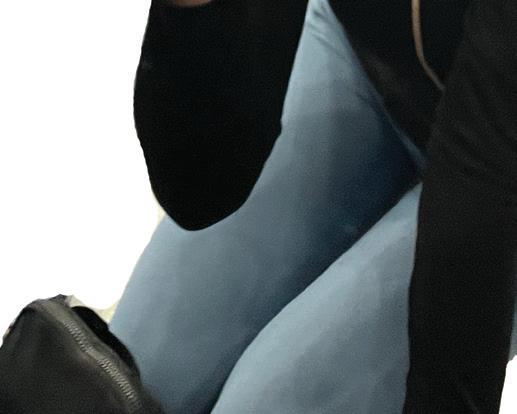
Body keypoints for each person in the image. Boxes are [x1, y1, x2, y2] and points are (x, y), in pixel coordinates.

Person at [109, 0, 517, 412]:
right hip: (364, 49)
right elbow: (199, 190)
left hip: (501, 176)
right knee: (123, 378)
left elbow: (482, 197)